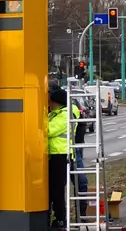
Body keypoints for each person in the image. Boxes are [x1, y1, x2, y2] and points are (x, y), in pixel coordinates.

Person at [47, 88, 79, 230]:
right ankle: (56, 217)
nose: (49, 103)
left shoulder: (64, 116)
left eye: (51, 100)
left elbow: (48, 130)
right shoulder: (55, 114)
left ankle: (60, 219)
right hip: (54, 155)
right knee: (53, 189)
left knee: (57, 190)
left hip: (61, 156)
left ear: (56, 102)